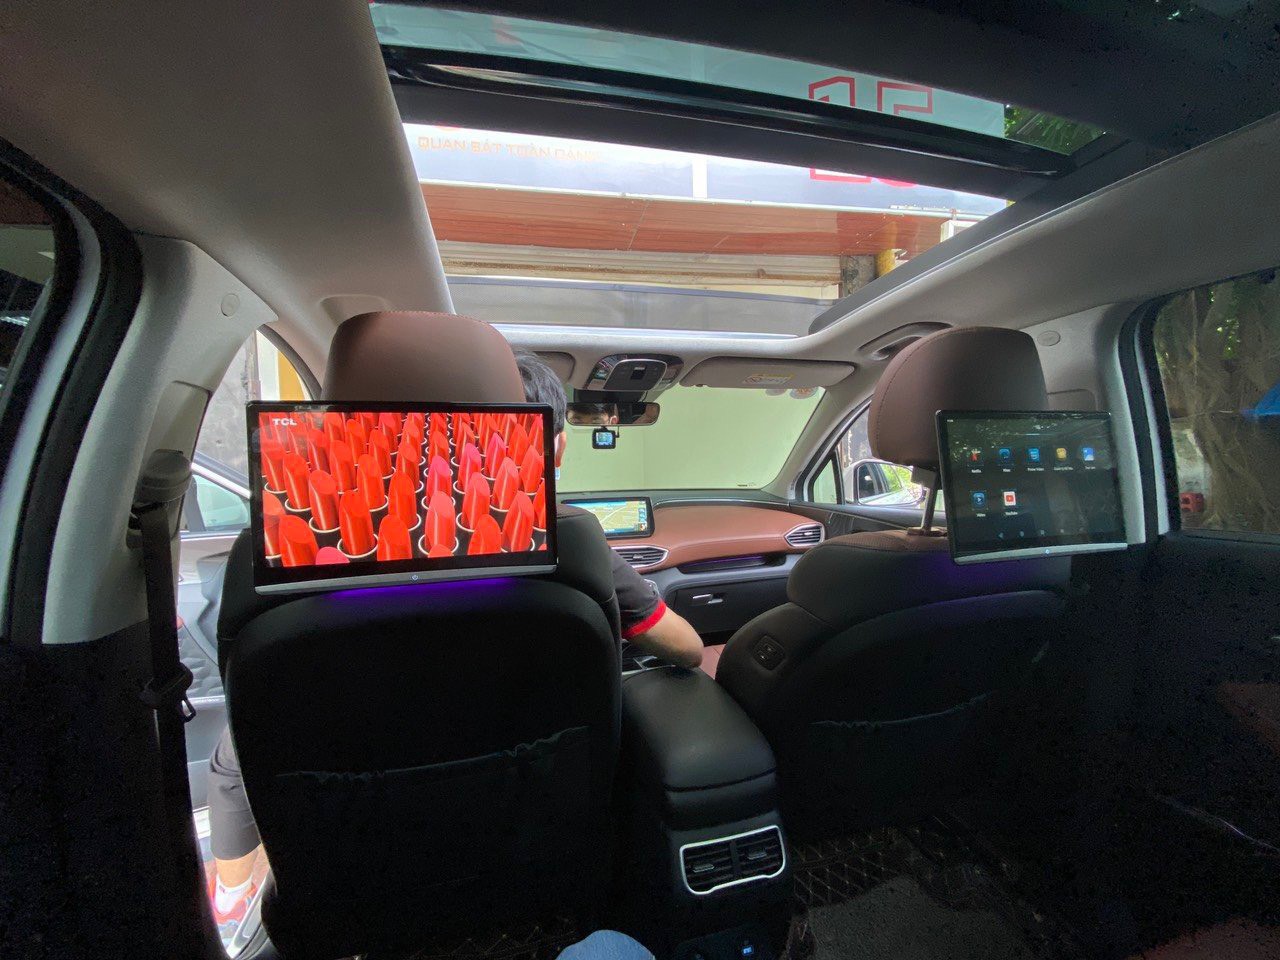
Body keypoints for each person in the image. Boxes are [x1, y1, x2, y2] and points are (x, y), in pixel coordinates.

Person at [205, 354, 704, 944]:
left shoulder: (281, 557)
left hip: (357, 885)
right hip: (526, 858)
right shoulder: (576, 549)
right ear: (556, 448)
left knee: (231, 752)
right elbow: (687, 649)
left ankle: (230, 899)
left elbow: (254, 730)